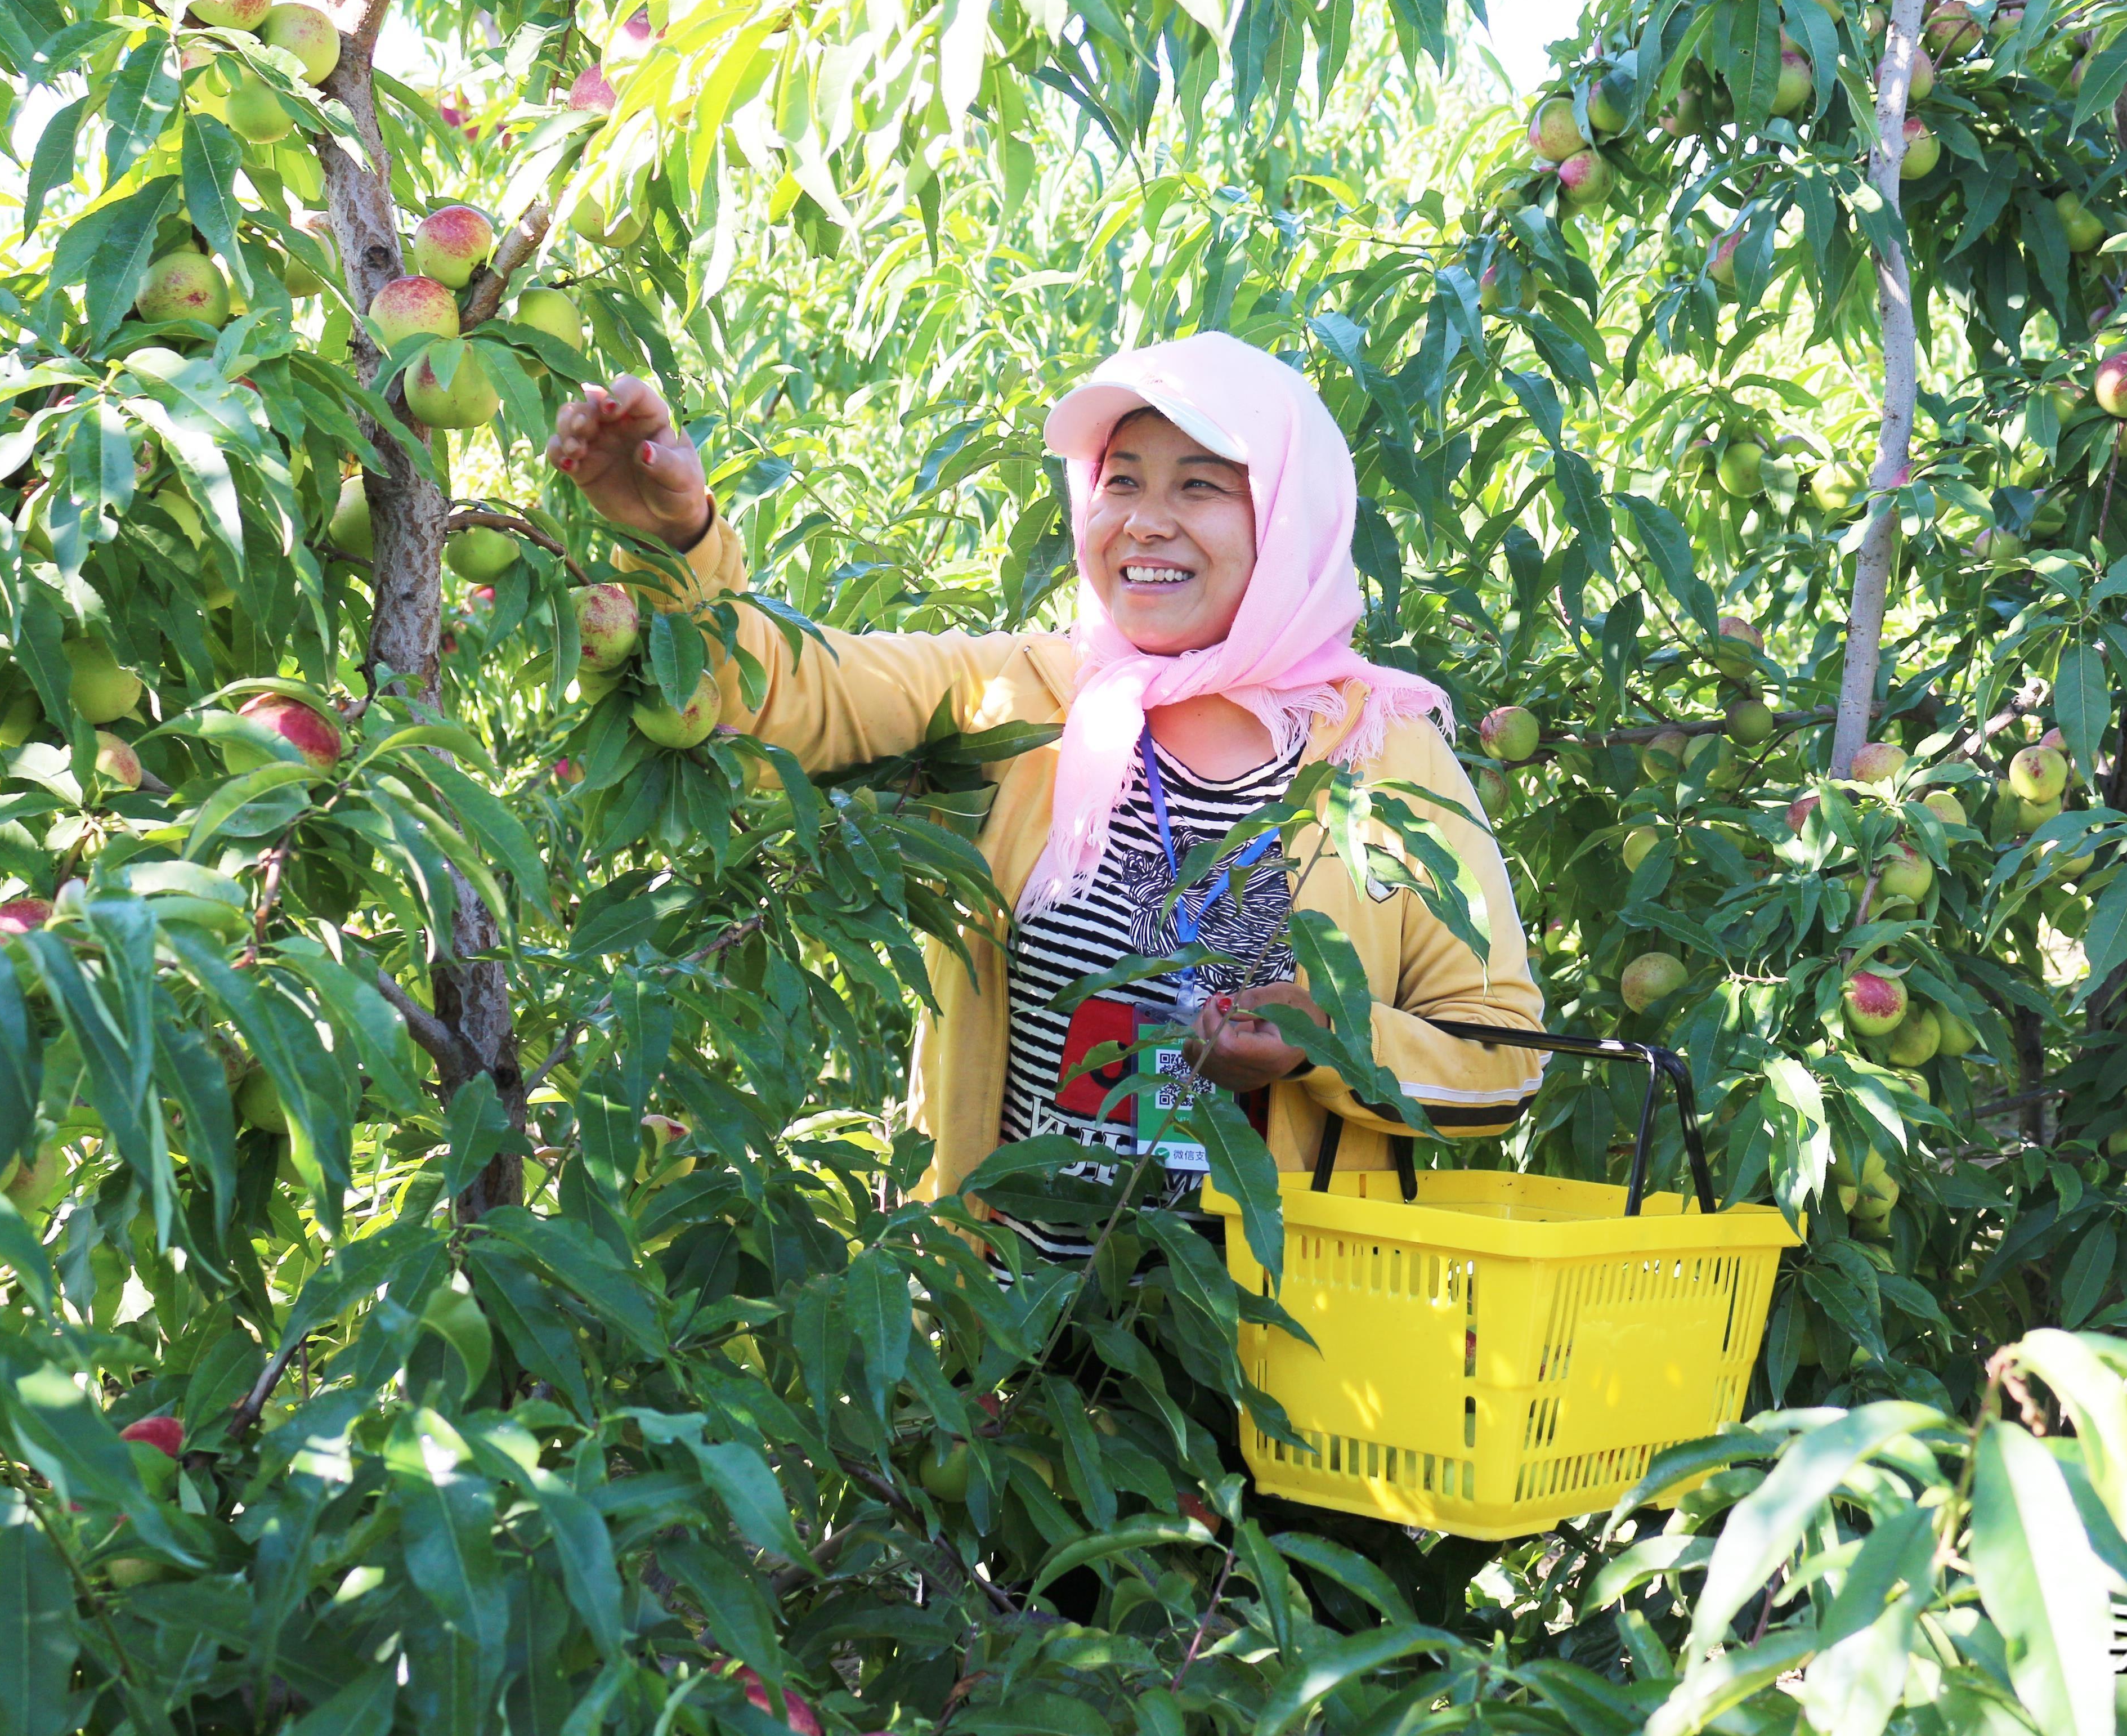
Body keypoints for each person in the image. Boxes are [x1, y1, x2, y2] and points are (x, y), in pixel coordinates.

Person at [545, 330, 1544, 1256]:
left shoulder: (1382, 747)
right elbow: (790, 694)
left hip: (1292, 1353)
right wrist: (680, 541)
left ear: (1288, 521)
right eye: (1120, 482)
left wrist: (1320, 1039)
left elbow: (1502, 1054)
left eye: (1201, 487)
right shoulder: (1030, 695)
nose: (1145, 521)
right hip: (1012, 1353)